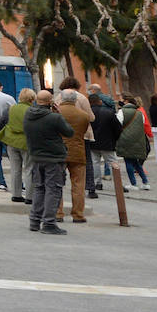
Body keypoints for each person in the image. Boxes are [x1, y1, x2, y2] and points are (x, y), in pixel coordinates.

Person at [24, 89, 73, 234]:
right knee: (53, 189)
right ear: (51, 101)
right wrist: (59, 114)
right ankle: (49, 223)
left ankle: (34, 220)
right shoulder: (54, 118)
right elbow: (69, 132)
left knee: (39, 188)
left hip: (36, 156)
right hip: (53, 158)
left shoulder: (28, 115)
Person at [54, 89, 91, 224]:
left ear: (62, 99)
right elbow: (83, 131)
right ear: (75, 100)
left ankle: (58, 213)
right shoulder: (83, 115)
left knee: (57, 183)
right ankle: (78, 214)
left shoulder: (55, 114)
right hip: (78, 151)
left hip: (58, 152)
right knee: (78, 185)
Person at [0, 88, 35, 203]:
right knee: (29, 169)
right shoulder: (32, 110)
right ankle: (29, 197)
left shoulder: (11, 108)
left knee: (15, 169)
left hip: (11, 142)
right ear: (32, 99)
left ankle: (16, 194)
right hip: (26, 143)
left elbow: (1, 123)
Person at [116, 93, 151, 190]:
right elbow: (143, 124)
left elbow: (118, 125)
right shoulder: (140, 112)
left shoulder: (121, 112)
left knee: (128, 162)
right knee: (136, 162)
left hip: (126, 139)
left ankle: (133, 183)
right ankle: (145, 182)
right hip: (139, 140)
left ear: (126, 101)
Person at [88, 93, 120, 189]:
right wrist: (114, 139)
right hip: (107, 142)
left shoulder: (87, 113)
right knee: (113, 162)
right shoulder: (109, 112)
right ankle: (118, 184)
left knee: (95, 163)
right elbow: (118, 128)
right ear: (100, 101)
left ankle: (97, 183)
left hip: (92, 142)